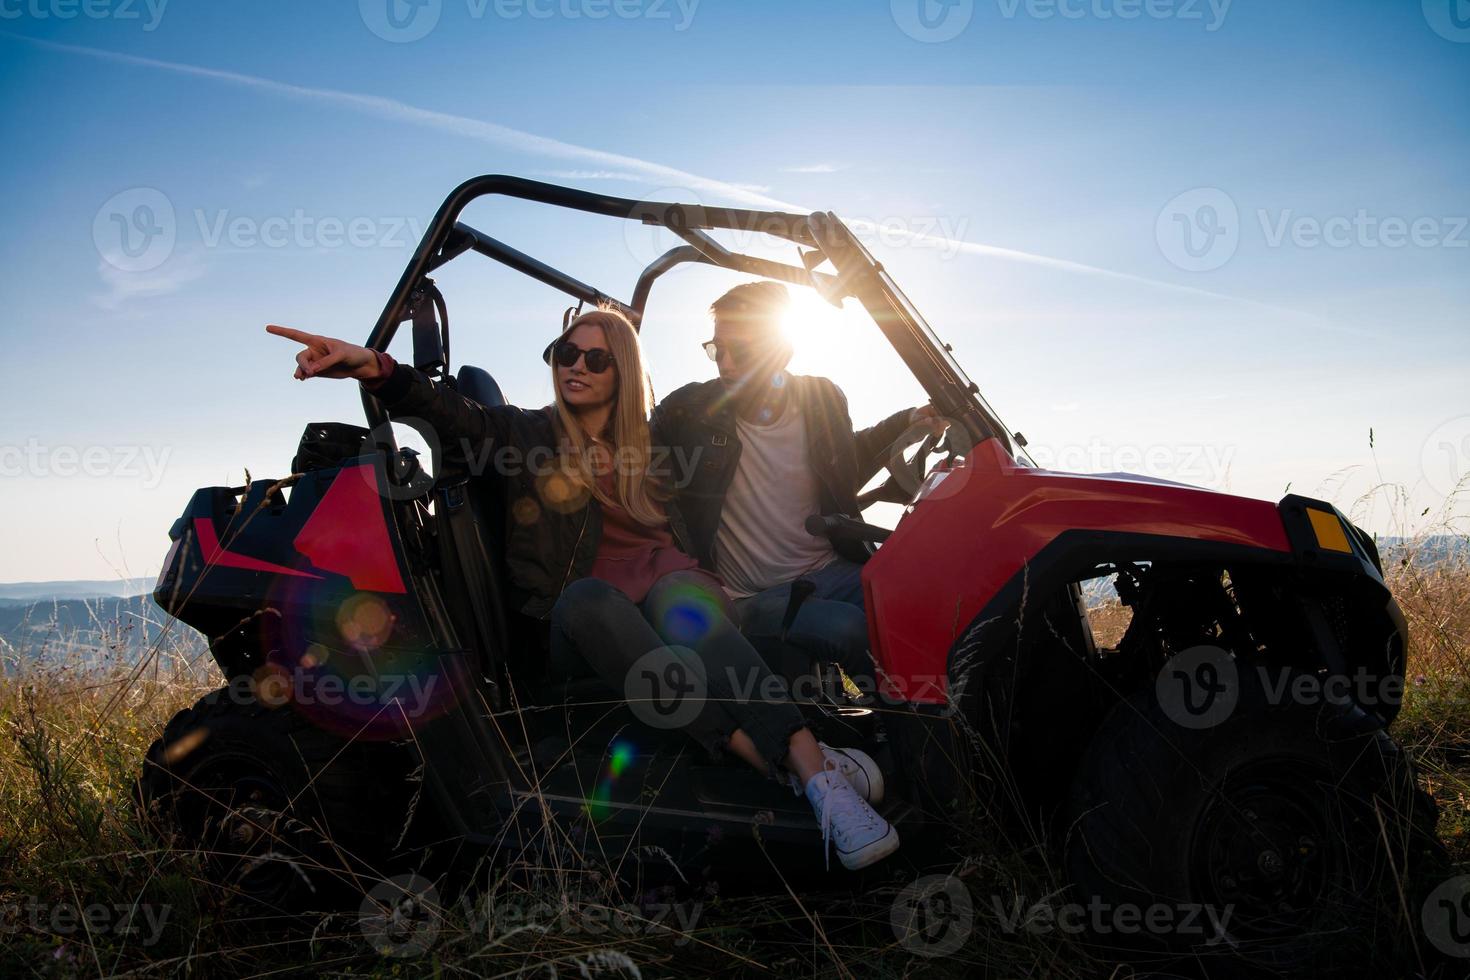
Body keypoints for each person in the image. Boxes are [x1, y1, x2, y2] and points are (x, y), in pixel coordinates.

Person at [265, 310, 899, 871]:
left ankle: (816, 783)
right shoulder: (528, 437)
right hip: (581, 626)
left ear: (621, 371)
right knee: (593, 599)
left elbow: (767, 435)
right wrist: (374, 367)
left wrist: (887, 426)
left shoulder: (655, 442)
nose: (577, 366)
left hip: (673, 603)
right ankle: (798, 768)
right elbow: (452, 415)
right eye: (564, 353)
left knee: (683, 593)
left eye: (596, 358)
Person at [650, 281, 943, 707]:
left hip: (830, 568)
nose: (726, 365)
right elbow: (629, 446)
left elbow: (842, 463)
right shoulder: (687, 413)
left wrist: (909, 419)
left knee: (918, 596)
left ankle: (953, 728)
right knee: (849, 629)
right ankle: (905, 740)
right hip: (750, 595)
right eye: (717, 349)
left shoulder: (822, 397)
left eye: (742, 351)